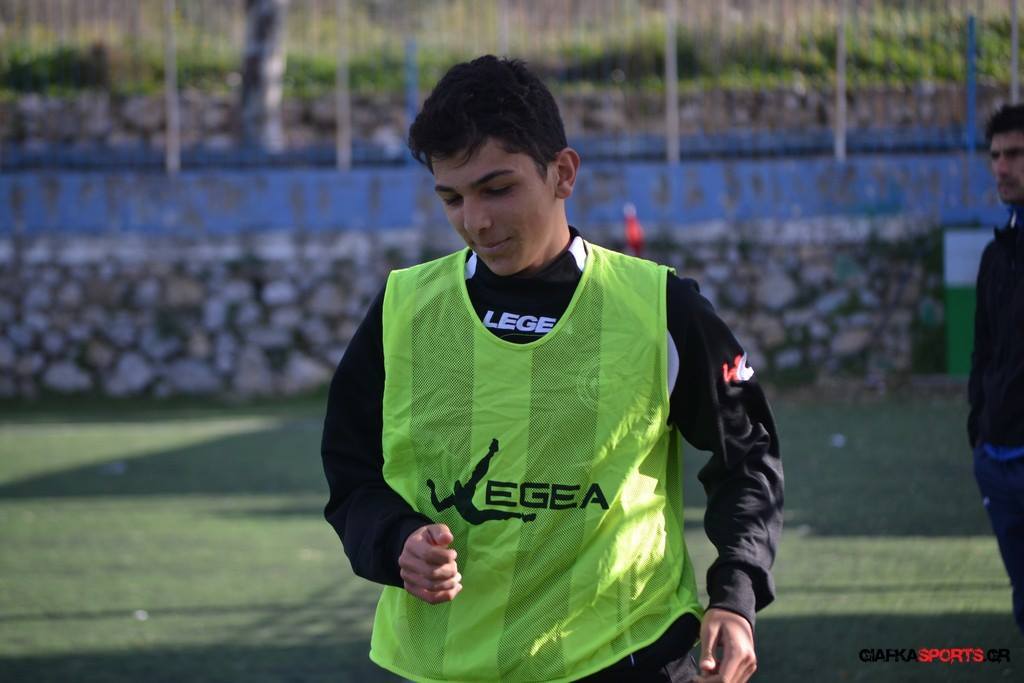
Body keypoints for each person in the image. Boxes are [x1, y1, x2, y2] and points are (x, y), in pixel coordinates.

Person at [321, 55, 783, 683]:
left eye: (497, 189)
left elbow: (747, 455)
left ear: (562, 173)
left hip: (628, 656)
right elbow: (351, 473)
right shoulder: (403, 308)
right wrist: (395, 539)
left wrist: (735, 595)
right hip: (441, 669)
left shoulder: (659, 308)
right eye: (452, 197)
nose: (476, 221)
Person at [969, 103, 1024, 636]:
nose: (1002, 168)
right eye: (995, 156)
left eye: (1016, 154)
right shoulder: (996, 256)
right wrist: (979, 436)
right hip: (998, 461)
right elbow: (982, 354)